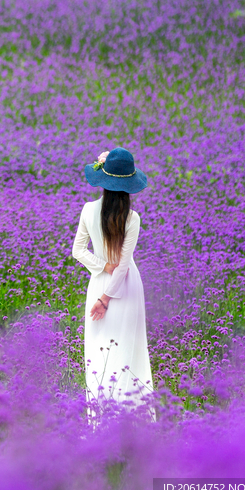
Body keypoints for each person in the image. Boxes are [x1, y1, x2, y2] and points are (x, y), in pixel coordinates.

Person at [71, 146, 155, 425]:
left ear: (103, 182)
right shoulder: (132, 218)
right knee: (130, 355)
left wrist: (101, 271)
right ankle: (135, 425)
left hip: (99, 286)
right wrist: (108, 296)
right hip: (127, 289)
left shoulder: (88, 210)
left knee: (98, 356)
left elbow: (78, 251)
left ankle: (100, 426)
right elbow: (123, 265)